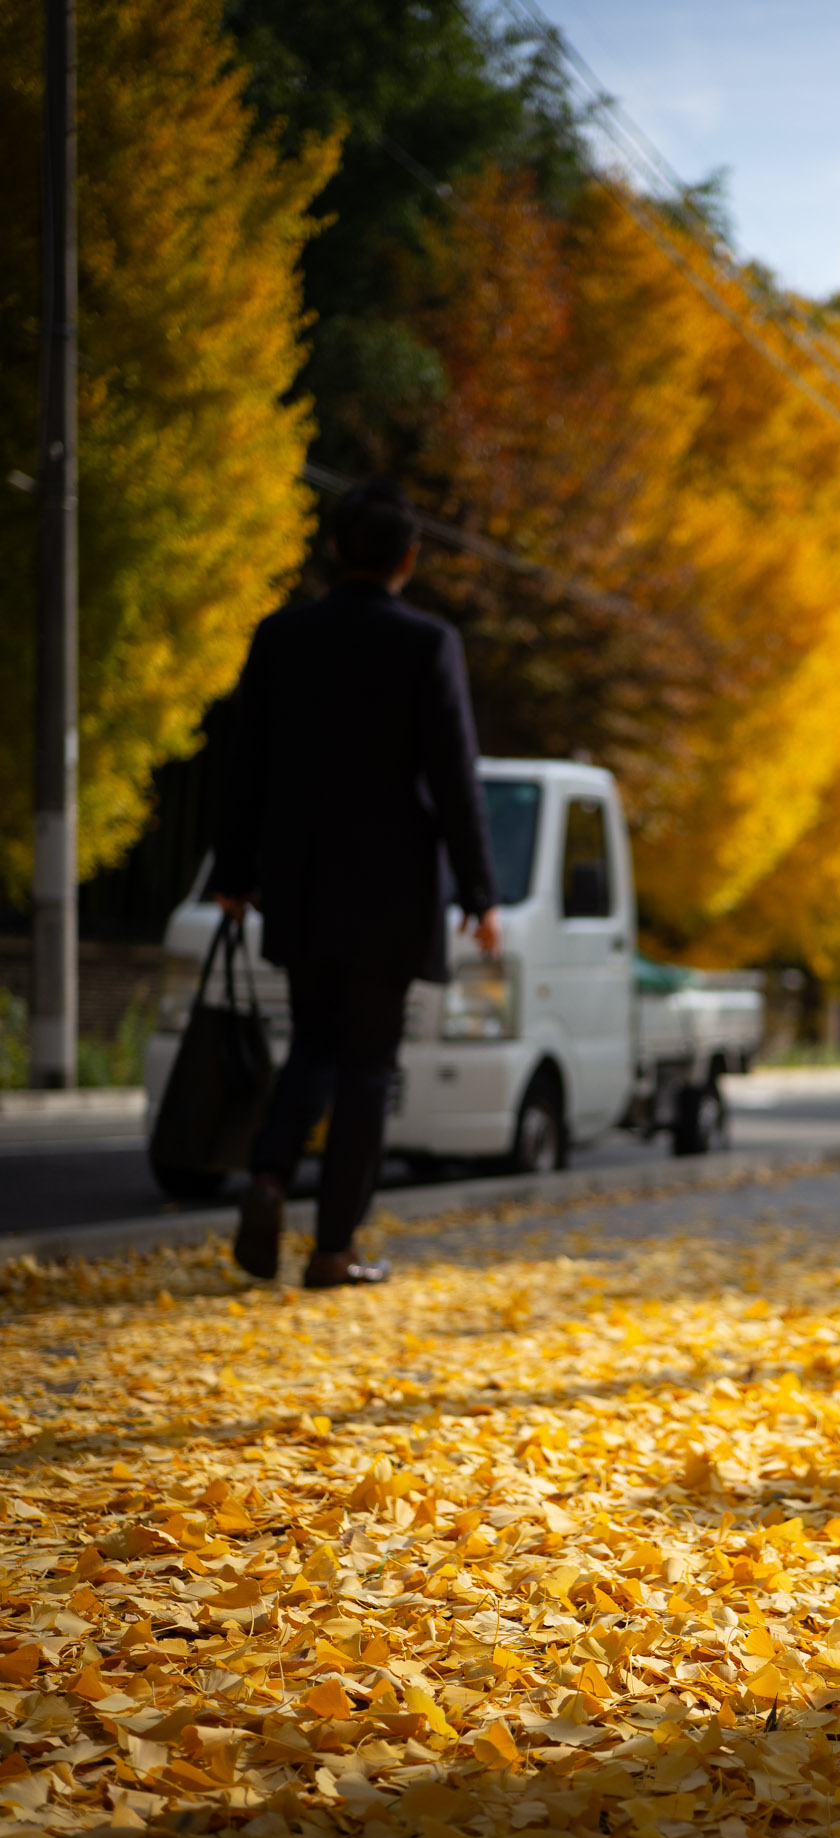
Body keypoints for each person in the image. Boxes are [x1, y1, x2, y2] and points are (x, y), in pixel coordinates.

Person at [213, 479, 500, 1287]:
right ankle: (334, 1249)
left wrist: (234, 873)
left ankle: (270, 1175)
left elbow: (246, 767)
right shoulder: (427, 643)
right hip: (392, 890)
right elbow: (453, 778)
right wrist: (479, 894)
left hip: (299, 882)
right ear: (409, 560)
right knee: (368, 1063)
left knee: (312, 1042)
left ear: (335, 550)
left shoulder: (281, 636)